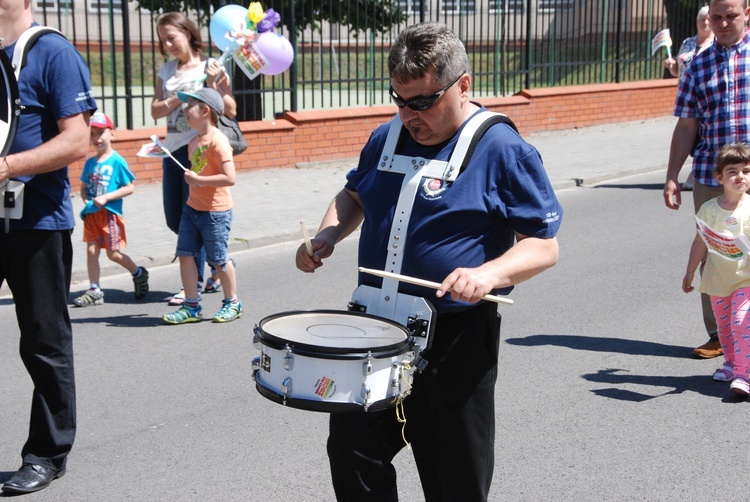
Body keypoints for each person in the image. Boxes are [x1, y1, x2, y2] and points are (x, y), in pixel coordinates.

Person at [295, 22, 562, 502]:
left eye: (422, 101)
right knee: (353, 455)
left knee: (454, 480)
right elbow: (353, 192)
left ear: (463, 85)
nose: (409, 113)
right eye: (399, 99)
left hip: (454, 340)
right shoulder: (385, 137)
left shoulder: (503, 149)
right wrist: (329, 232)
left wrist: (489, 274)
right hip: (375, 332)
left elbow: (543, 245)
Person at [0, 0, 97, 494]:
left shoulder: (52, 51)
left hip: (36, 221)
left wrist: (9, 166)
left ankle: (47, 453)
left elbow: (77, 141)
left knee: (44, 340)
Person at [663, 0, 750, 360]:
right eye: (716, 16)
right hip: (710, 177)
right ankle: (720, 333)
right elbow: (686, 125)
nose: (723, 22)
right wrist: (672, 176)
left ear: (747, 13)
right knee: (716, 252)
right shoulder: (697, 65)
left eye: (731, 15)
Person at [150, 12, 237, 306]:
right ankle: (218, 260)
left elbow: (230, 109)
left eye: (171, 37)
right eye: (163, 40)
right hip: (174, 152)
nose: (167, 44)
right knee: (176, 218)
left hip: (202, 153)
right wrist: (180, 96)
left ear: (187, 33)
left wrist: (215, 84)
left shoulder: (210, 65)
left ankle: (193, 289)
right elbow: (156, 111)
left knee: (195, 217)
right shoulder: (167, 71)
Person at [162, 88, 242, 325]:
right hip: (192, 208)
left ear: (205, 110)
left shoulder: (218, 141)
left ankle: (232, 303)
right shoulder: (194, 141)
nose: (185, 110)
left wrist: (198, 180)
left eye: (190, 106)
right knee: (185, 255)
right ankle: (191, 306)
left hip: (215, 212)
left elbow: (230, 178)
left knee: (218, 258)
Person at [682, 143, 750, 396]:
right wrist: (689, 272)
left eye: (746, 170)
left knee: (742, 323)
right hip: (717, 278)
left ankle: (744, 374)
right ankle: (731, 364)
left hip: (746, 278)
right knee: (724, 328)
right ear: (719, 177)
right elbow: (700, 240)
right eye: (732, 171)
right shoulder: (709, 209)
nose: (740, 176)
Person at [73, 112, 149, 307]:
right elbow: (83, 189)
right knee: (91, 251)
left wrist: (106, 197)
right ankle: (95, 289)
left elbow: (129, 186)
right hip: (92, 216)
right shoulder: (90, 163)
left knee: (113, 254)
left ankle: (138, 273)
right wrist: (86, 202)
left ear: (111, 134)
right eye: (92, 134)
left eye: (101, 133)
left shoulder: (117, 161)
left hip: (110, 215)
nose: (96, 138)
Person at [663, 4, 714, 192]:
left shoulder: (716, 44)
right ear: (697, 22)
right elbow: (679, 70)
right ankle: (695, 172)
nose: (706, 23)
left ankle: (696, 173)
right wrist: (671, 67)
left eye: (709, 19)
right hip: (685, 95)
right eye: (703, 20)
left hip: (705, 97)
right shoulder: (687, 43)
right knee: (689, 133)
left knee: (701, 136)